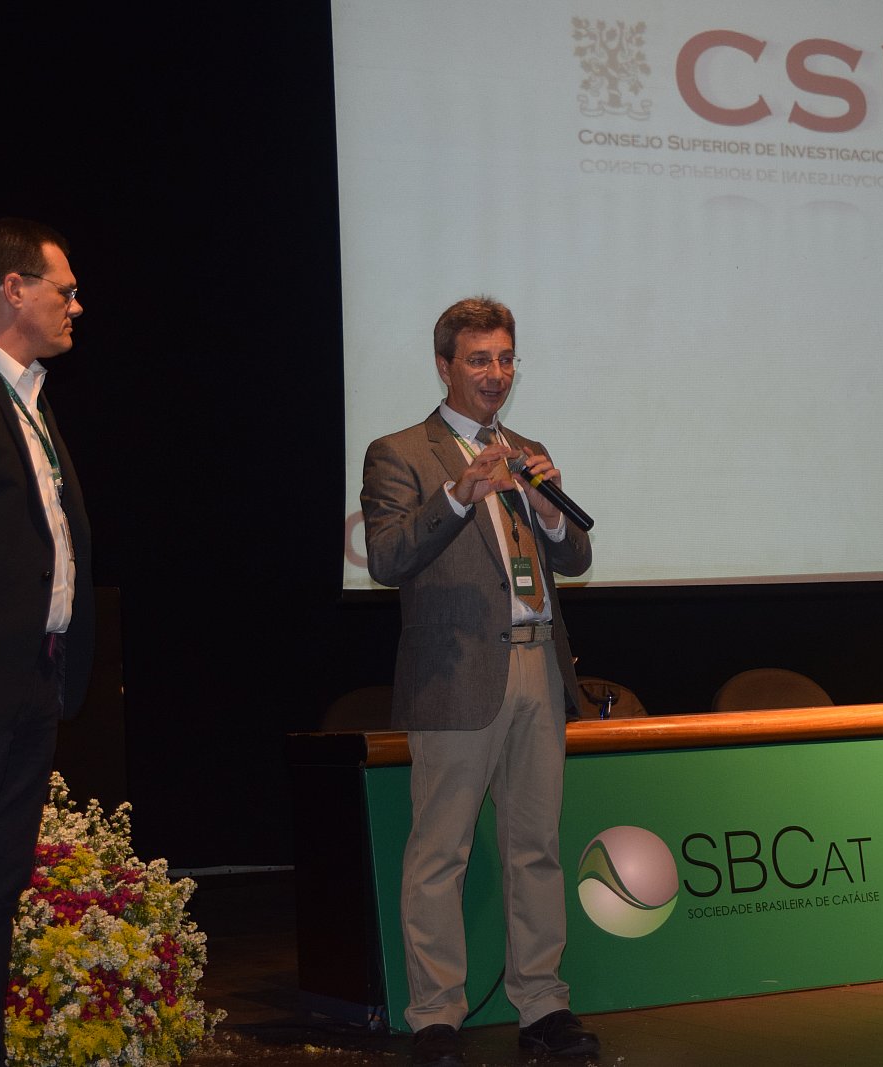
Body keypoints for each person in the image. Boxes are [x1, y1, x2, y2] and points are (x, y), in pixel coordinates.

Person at [361, 297, 598, 1064]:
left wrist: (549, 511)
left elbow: (577, 556)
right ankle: (436, 1016)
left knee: (536, 847)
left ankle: (543, 1005)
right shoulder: (400, 452)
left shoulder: (528, 450)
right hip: (457, 675)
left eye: (504, 358)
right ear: (444, 366)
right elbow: (388, 557)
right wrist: (461, 495)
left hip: (538, 665)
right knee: (441, 853)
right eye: (478, 359)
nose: (495, 373)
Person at [0, 218, 94, 1067]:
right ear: (13, 288)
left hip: (31, 681)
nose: (76, 306)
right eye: (65, 289)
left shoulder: (30, 397)